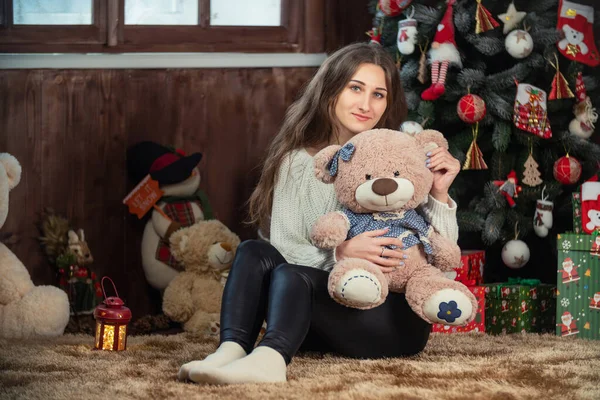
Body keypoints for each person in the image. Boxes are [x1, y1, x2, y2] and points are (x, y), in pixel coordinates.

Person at [177, 42, 461, 385]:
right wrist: (339, 253)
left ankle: (270, 361)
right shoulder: (296, 163)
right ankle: (232, 349)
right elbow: (284, 251)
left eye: (378, 94)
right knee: (254, 251)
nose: (366, 104)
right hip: (322, 319)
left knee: (292, 276)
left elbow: (444, 265)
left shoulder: (398, 159)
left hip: (390, 323)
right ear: (330, 91)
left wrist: (440, 194)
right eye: (355, 88)